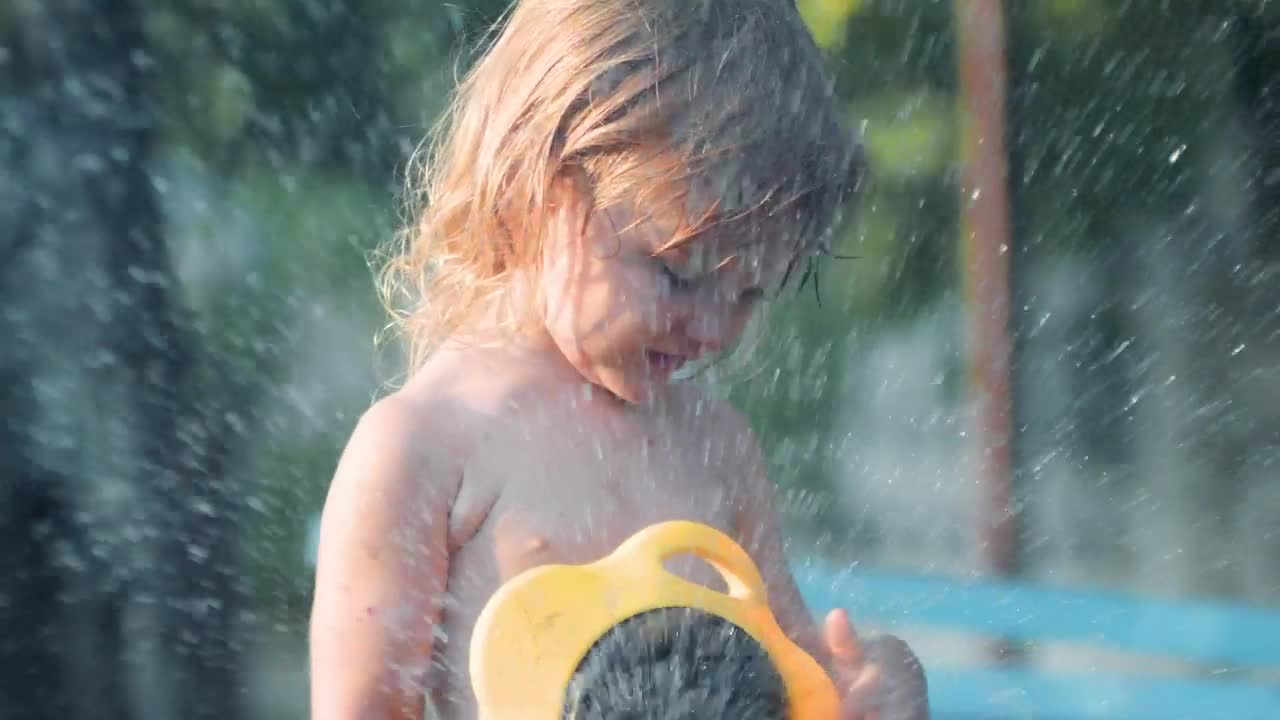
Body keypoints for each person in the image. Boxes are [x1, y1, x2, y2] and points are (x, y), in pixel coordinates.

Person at [309, 0, 929, 718]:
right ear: (543, 179)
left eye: (749, 293)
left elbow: (799, 686)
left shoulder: (717, 448)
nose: (713, 327)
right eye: (677, 272)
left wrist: (879, 687)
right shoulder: (425, 449)